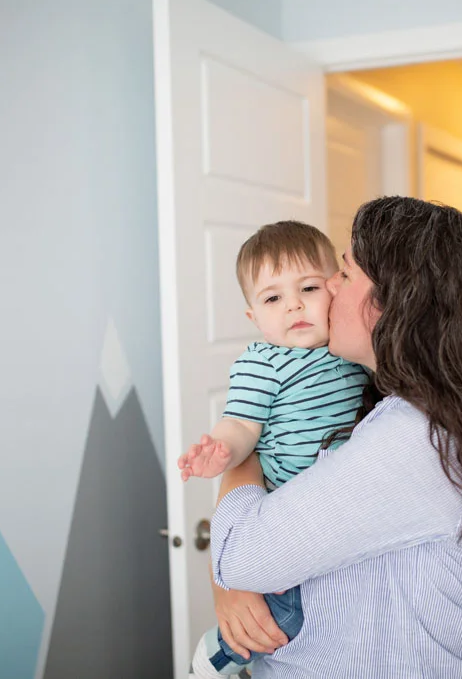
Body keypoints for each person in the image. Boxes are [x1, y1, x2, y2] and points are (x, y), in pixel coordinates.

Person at [187, 196, 462, 678]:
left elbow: (240, 556)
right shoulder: (396, 407)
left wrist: (248, 448)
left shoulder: (414, 440)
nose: (328, 285)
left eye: (345, 274)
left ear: (398, 301)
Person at [178, 220, 370, 677]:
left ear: (335, 288)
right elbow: (241, 423)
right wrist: (221, 450)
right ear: (254, 318)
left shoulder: (350, 353)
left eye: (308, 288)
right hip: (285, 507)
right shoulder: (263, 362)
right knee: (287, 610)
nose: (294, 305)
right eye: (272, 299)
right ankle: (218, 654)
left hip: (337, 506)